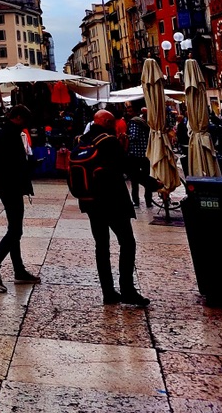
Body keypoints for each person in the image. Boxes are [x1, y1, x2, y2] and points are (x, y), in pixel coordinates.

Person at [76, 109, 149, 307]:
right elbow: (127, 167)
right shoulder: (108, 141)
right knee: (127, 243)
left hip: (90, 202)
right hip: (113, 201)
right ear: (108, 122)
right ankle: (127, 289)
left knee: (102, 246)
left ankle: (108, 292)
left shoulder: (83, 140)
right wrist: (152, 183)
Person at [0, 105, 41, 293]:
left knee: (14, 229)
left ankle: (19, 270)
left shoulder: (8, 132)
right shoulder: (8, 134)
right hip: (11, 187)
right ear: (16, 117)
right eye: (24, 120)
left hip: (9, 186)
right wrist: (19, 167)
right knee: (15, 231)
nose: (26, 124)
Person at [126, 108, 153, 208]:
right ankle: (148, 200)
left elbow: (134, 137)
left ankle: (136, 201)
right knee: (147, 178)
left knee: (134, 179)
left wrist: (125, 136)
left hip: (136, 155)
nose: (128, 113)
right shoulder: (144, 122)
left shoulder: (134, 122)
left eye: (129, 111)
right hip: (146, 154)